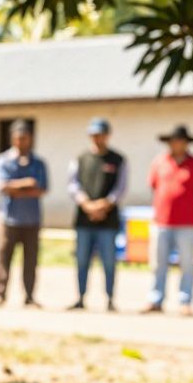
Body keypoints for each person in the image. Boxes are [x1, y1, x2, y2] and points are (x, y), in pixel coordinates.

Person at [147, 124, 193, 316]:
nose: (176, 144)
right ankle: (156, 299)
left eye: (180, 141)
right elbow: (153, 186)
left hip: (186, 223)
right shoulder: (159, 162)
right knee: (158, 263)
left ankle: (185, 300)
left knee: (187, 263)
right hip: (162, 221)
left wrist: (190, 206)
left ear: (186, 143)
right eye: (173, 141)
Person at [67, 117, 126, 311]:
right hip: (85, 219)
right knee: (82, 260)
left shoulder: (118, 160)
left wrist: (104, 204)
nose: (97, 138)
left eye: (100, 134)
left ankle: (110, 299)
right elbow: (73, 184)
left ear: (107, 136)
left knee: (109, 261)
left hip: (108, 220)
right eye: (93, 135)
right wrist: (87, 204)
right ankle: (80, 297)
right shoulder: (80, 158)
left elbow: (120, 188)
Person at [0, 121, 48, 307]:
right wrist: (27, 183)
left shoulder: (38, 163)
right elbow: (2, 187)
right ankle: (0, 293)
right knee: (4, 258)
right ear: (12, 139)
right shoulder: (3, 161)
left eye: (24, 138)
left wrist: (15, 188)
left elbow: (42, 189)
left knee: (31, 260)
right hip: (9, 218)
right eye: (17, 138)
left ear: (29, 139)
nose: (20, 142)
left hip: (32, 219)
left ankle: (30, 296)